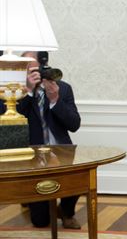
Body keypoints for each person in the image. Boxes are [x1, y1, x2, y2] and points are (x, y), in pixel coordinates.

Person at [0, 51, 81, 229]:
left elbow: (75, 124)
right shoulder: (13, 90)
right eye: (31, 71)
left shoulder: (63, 88)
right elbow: (10, 124)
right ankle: (31, 199)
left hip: (60, 149)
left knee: (79, 174)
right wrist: (27, 91)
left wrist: (55, 100)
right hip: (32, 155)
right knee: (41, 222)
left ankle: (67, 212)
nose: (37, 74)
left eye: (39, 70)